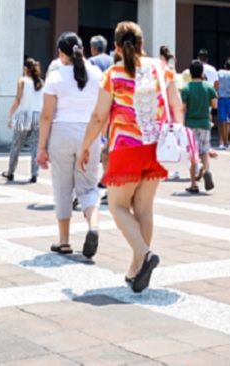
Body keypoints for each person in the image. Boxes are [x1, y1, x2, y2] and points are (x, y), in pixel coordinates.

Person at [78, 21, 183, 293]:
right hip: (156, 147)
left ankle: (145, 256)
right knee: (144, 208)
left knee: (117, 206)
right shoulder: (162, 68)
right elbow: (176, 106)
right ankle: (135, 270)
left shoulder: (113, 73)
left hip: (125, 147)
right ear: (142, 42)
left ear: (115, 45)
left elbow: (99, 115)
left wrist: (86, 146)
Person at [36, 33, 103, 256]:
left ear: (61, 53)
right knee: (89, 187)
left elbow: (46, 116)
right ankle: (93, 226)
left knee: (63, 187)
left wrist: (41, 148)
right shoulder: (96, 73)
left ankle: (64, 241)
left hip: (61, 133)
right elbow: (104, 108)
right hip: (89, 133)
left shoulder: (55, 77)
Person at [3, 58, 44, 182]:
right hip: (38, 115)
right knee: (35, 146)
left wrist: (10, 115)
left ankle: (11, 172)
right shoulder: (41, 82)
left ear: (25, 68)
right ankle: (34, 174)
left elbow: (18, 100)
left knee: (16, 144)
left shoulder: (22, 81)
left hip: (24, 115)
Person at [182, 60, 217, 193]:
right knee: (205, 152)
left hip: (191, 123)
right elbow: (214, 105)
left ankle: (193, 183)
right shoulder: (208, 87)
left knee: (193, 154)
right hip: (205, 122)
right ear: (202, 73)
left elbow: (183, 107)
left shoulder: (186, 88)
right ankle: (207, 170)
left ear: (190, 73)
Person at [215, 58, 230, 149]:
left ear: (225, 66)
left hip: (221, 98)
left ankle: (222, 141)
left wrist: (216, 93)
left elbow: (216, 84)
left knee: (222, 120)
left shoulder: (219, 73)